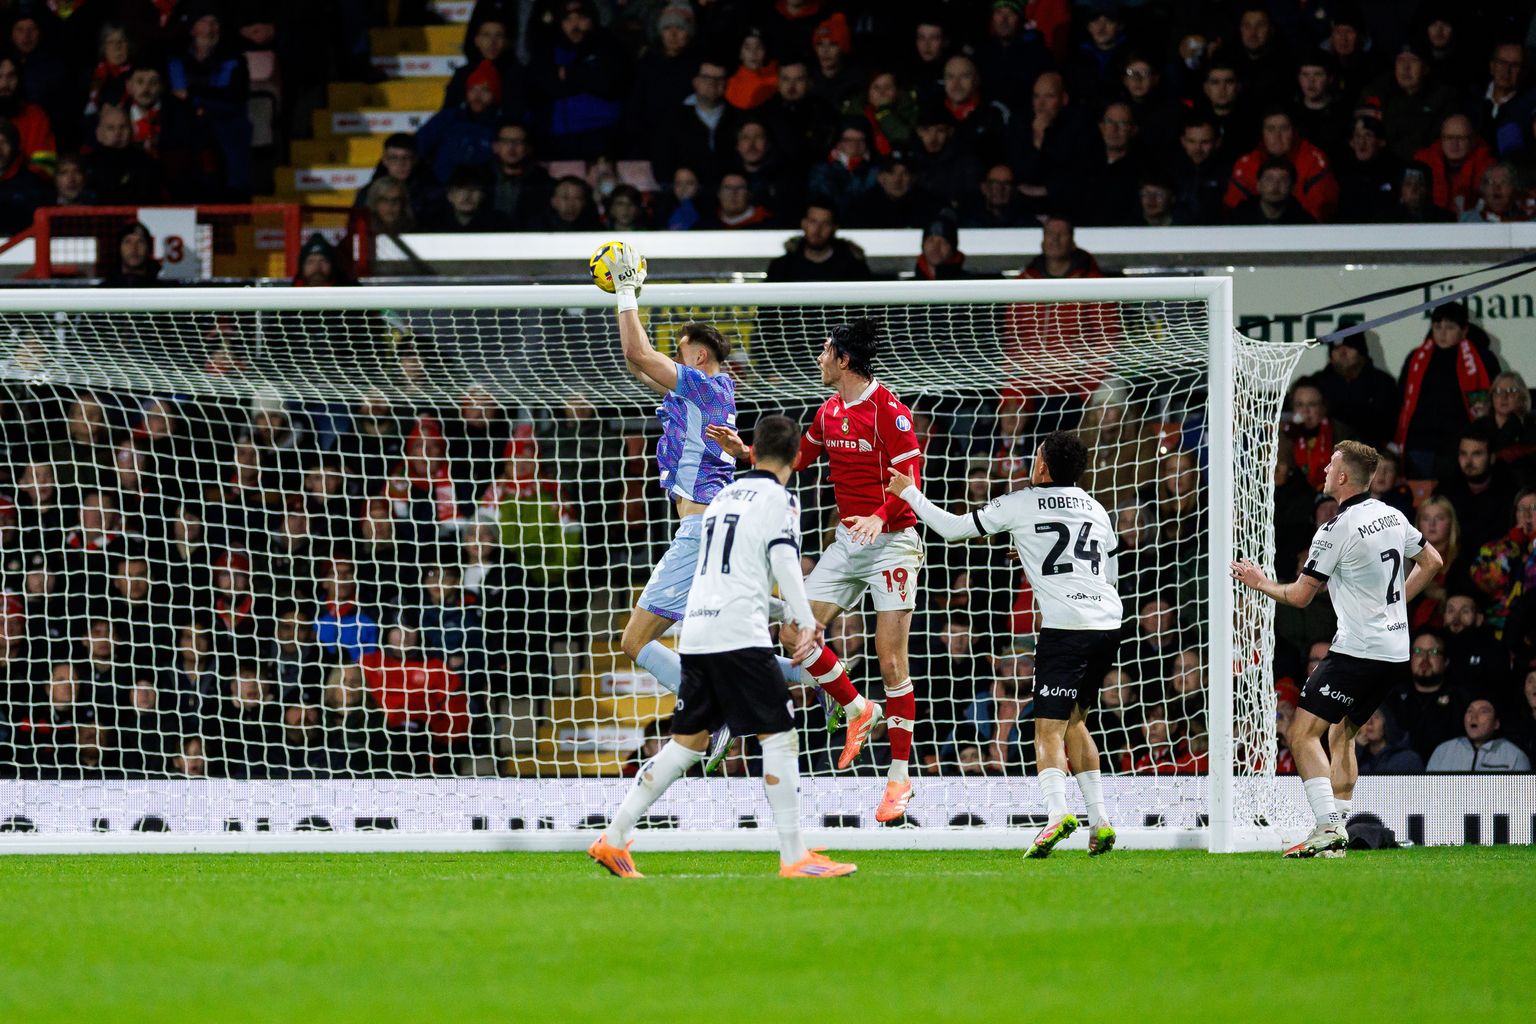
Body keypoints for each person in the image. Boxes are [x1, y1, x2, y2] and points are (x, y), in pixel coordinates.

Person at [587, 415, 854, 880]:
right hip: (738, 636)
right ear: (795, 459)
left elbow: (724, 576)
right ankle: (795, 856)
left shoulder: (722, 499)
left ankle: (613, 837)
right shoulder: (780, 500)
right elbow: (784, 560)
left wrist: (781, 612)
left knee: (687, 744)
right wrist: (805, 619)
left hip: (697, 633)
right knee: (780, 736)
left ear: (752, 450)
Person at [708, 319, 925, 823]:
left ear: (844, 360)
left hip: (893, 541)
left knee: (891, 661)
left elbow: (910, 480)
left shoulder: (889, 412)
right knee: (794, 631)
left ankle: (898, 782)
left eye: (826, 351)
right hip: (849, 542)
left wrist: (879, 516)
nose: (820, 358)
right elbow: (800, 458)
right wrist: (747, 453)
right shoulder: (829, 412)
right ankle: (856, 708)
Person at [597, 242, 803, 771]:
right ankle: (820, 676)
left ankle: (715, 712)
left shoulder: (706, 386)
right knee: (725, 646)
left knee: (634, 641)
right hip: (713, 529)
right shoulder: (702, 393)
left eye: (681, 352)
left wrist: (626, 291)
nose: (675, 358)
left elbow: (641, 354)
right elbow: (637, 362)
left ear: (700, 358)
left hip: (699, 532)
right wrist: (626, 303)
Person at [888, 430, 1121, 857]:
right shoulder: (1096, 508)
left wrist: (909, 493)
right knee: (1075, 721)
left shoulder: (1022, 501)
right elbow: (1107, 570)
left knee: (1046, 729)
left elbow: (954, 530)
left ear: (1042, 466)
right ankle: (1100, 821)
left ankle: (1057, 815)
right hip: (1108, 623)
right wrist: (1034, 554)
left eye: (1035, 457)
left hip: (1066, 628)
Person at [1232, 441, 1443, 857]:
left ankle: (1327, 827)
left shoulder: (1334, 529)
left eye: (1331, 465)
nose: (1325, 470)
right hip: (1394, 651)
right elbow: (1433, 561)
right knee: (1341, 732)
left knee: (1301, 733)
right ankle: (1338, 836)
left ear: (1344, 476)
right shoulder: (1391, 515)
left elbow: (1300, 596)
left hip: (1357, 651)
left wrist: (1260, 582)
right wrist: (1395, 604)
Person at [1395, 301, 1500, 479]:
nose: (1442, 333)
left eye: (1450, 328)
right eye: (1437, 327)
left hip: (1460, 446)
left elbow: (1490, 402)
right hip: (1420, 445)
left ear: (1464, 330)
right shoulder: (1416, 358)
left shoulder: (1482, 359)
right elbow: (1401, 399)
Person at [764, 199, 871, 282]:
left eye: (826, 223)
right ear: (803, 224)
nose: (818, 229)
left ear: (834, 228)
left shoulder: (853, 268)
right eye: (813, 222)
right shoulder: (783, 267)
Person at [1425, 697, 1532, 771]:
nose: (1474, 717)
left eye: (1483, 711)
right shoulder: (1443, 751)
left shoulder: (1515, 756)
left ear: (1496, 723)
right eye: (1469, 711)